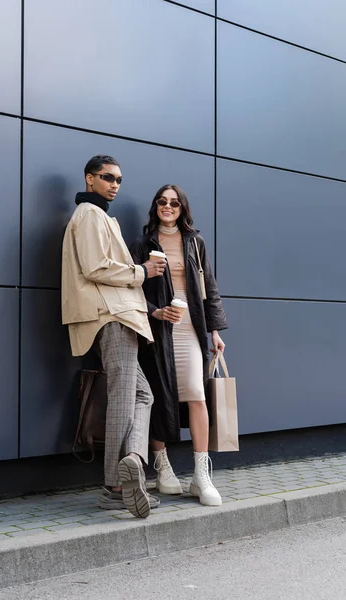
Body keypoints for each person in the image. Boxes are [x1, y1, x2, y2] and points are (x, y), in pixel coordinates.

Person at [61, 155, 167, 518]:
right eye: (107, 177)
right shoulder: (89, 216)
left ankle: (133, 462)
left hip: (117, 313)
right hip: (112, 314)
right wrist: (143, 271)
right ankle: (115, 485)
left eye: (119, 178)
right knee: (126, 394)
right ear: (90, 179)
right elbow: (95, 267)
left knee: (141, 393)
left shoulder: (99, 216)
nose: (115, 184)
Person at [130, 184, 228, 506]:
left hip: (190, 323)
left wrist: (214, 330)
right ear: (155, 206)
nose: (167, 206)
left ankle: (201, 475)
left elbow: (209, 288)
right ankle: (163, 467)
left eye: (174, 202)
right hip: (158, 326)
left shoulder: (195, 243)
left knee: (197, 395)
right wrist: (154, 311)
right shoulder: (142, 245)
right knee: (160, 395)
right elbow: (130, 291)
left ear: (182, 208)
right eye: (162, 201)